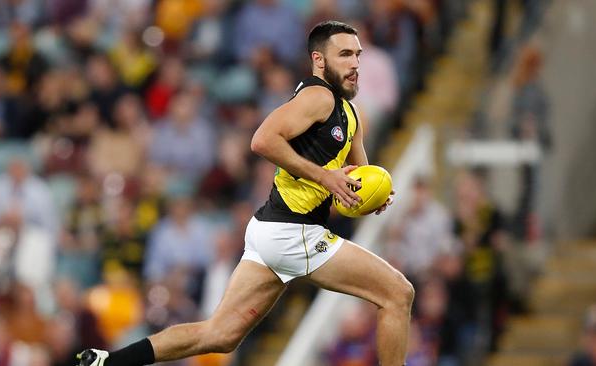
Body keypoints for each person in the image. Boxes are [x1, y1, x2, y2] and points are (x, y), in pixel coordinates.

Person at [77, 20, 414, 366]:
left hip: (273, 230)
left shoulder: (352, 114)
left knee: (219, 335)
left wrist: (370, 197)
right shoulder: (318, 96)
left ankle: (108, 362)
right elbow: (262, 140)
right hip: (293, 231)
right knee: (398, 293)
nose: (355, 63)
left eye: (358, 55)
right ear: (318, 60)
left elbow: (356, 183)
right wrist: (327, 179)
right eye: (344, 54)